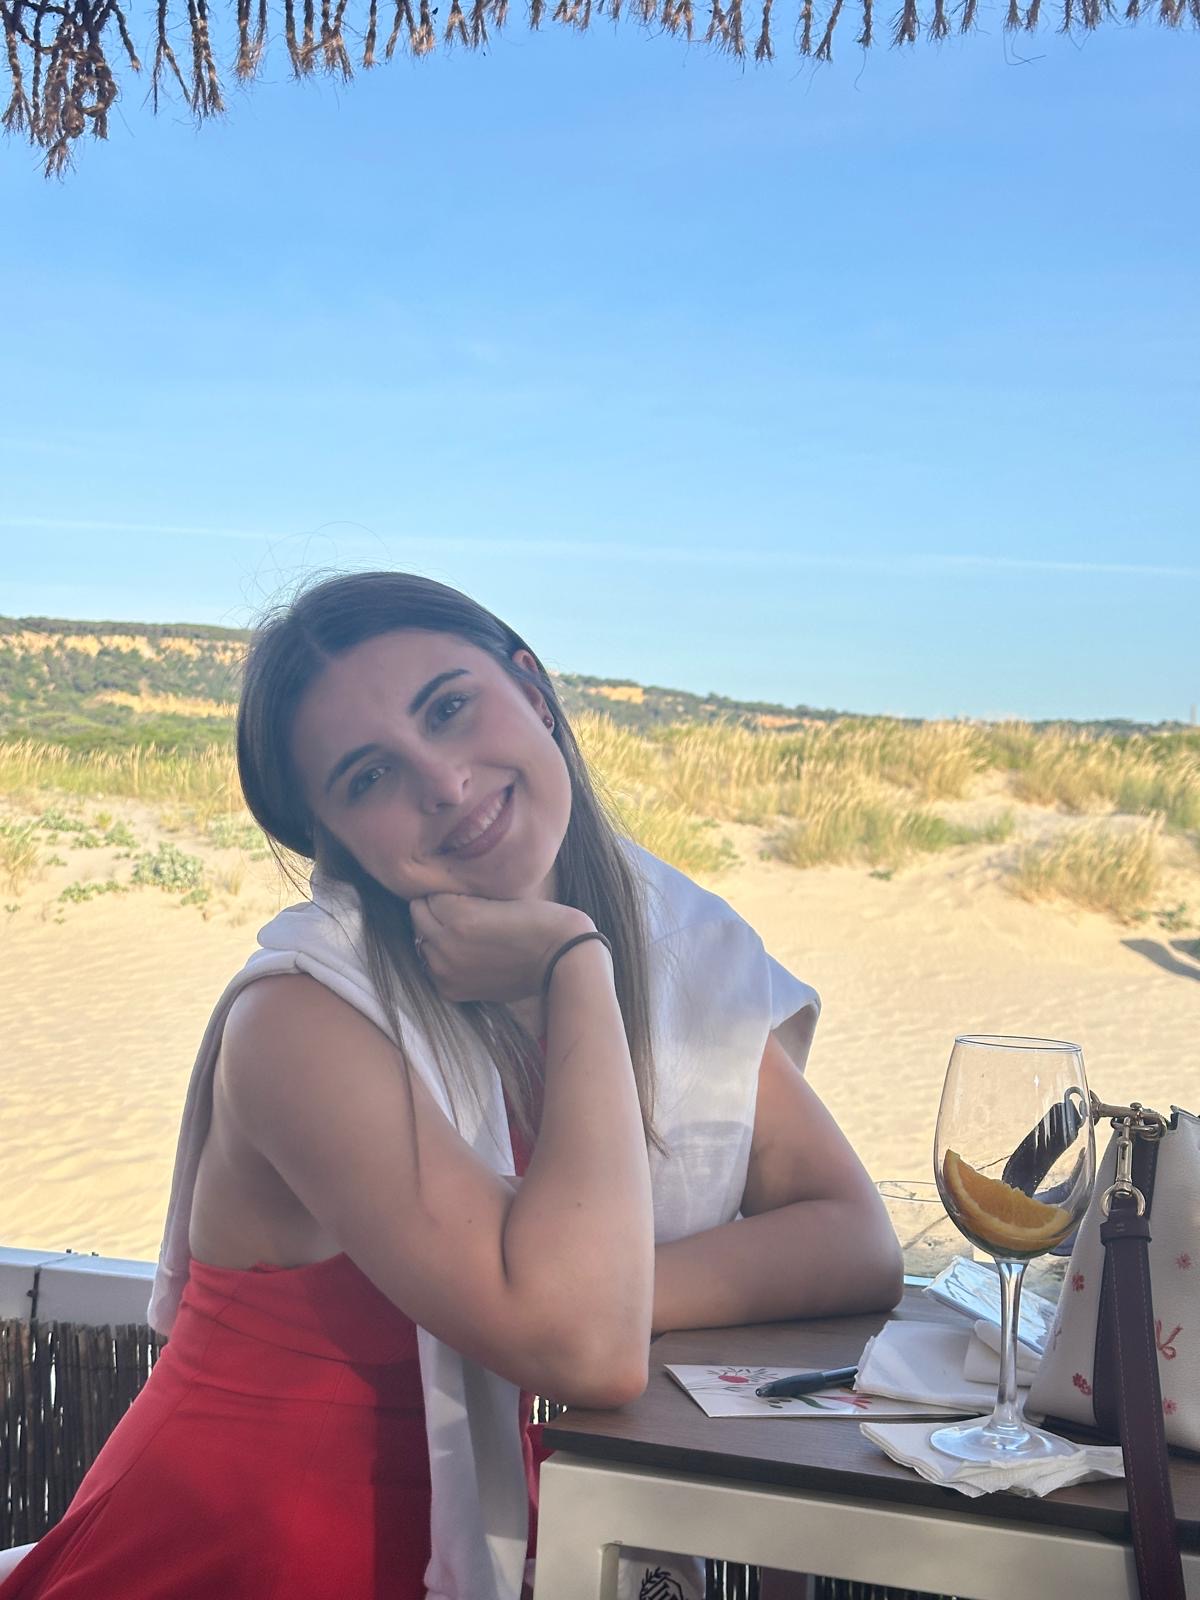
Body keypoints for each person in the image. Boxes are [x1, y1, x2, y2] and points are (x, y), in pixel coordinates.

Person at [0, 572, 901, 1600]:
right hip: (241, 1551)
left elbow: (854, 1239)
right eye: (370, 775)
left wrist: (608, 1281)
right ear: (334, 842)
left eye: (448, 708)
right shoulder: (301, 1018)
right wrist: (575, 967)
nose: (441, 781)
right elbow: (586, 1346)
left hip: (499, 1543)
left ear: (533, 689)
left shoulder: (673, 948)